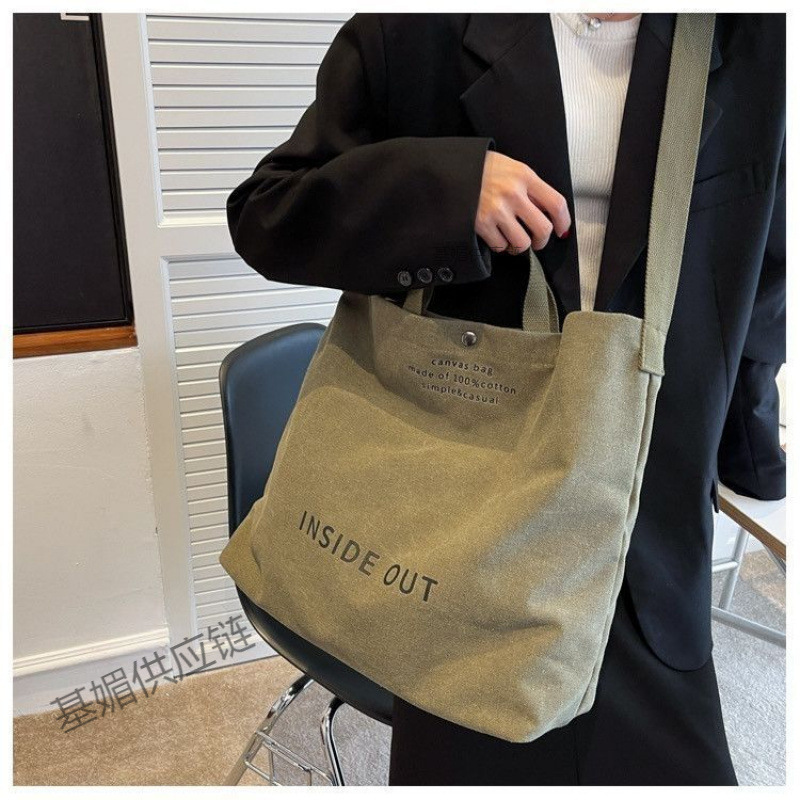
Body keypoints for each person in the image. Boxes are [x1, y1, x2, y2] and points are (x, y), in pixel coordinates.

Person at [225, 12, 786, 785]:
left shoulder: (757, 38)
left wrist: (752, 451)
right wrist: (442, 193)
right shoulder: (413, 33)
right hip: (468, 515)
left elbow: (762, 267)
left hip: (650, 512)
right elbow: (267, 214)